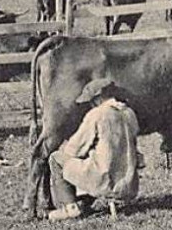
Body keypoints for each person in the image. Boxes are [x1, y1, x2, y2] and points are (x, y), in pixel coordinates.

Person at [47, 77, 141, 221]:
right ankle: (84, 204)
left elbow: (74, 149)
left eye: (92, 101)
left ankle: (70, 208)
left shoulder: (97, 114)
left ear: (99, 97)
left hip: (105, 181)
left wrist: (66, 147)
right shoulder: (129, 113)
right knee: (93, 160)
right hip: (129, 184)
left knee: (56, 158)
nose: (91, 105)